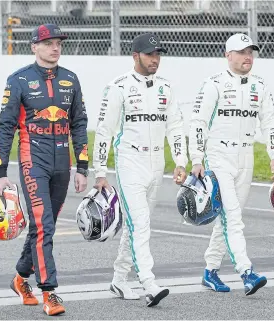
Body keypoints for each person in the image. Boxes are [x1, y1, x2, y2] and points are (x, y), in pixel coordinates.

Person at [0, 23, 89, 316]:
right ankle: (50, 292)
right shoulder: (19, 80)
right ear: (34, 46)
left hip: (63, 163)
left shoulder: (71, 79)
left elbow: (79, 124)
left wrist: (82, 167)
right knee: (45, 226)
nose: (55, 47)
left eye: (58, 42)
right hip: (32, 161)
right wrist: (1, 173)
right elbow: (6, 127)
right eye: (48, 42)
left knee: (40, 227)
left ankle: (20, 279)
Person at [92, 33, 188, 307]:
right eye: (149, 54)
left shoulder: (166, 87)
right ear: (135, 56)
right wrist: (100, 171)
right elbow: (104, 131)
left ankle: (119, 278)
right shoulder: (118, 87)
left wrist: (180, 161)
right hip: (130, 163)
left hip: (157, 164)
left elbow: (176, 127)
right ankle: (149, 282)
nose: (155, 59)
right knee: (141, 223)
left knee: (135, 227)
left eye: (158, 54)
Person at [189, 33, 274, 296]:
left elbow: (271, 121)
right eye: (241, 52)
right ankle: (246, 272)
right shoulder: (213, 84)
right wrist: (196, 158)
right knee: (234, 218)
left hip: (246, 157)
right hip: (219, 156)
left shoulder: (260, 85)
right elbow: (198, 123)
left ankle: (210, 270)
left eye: (251, 52)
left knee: (228, 218)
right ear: (228, 55)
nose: (247, 57)